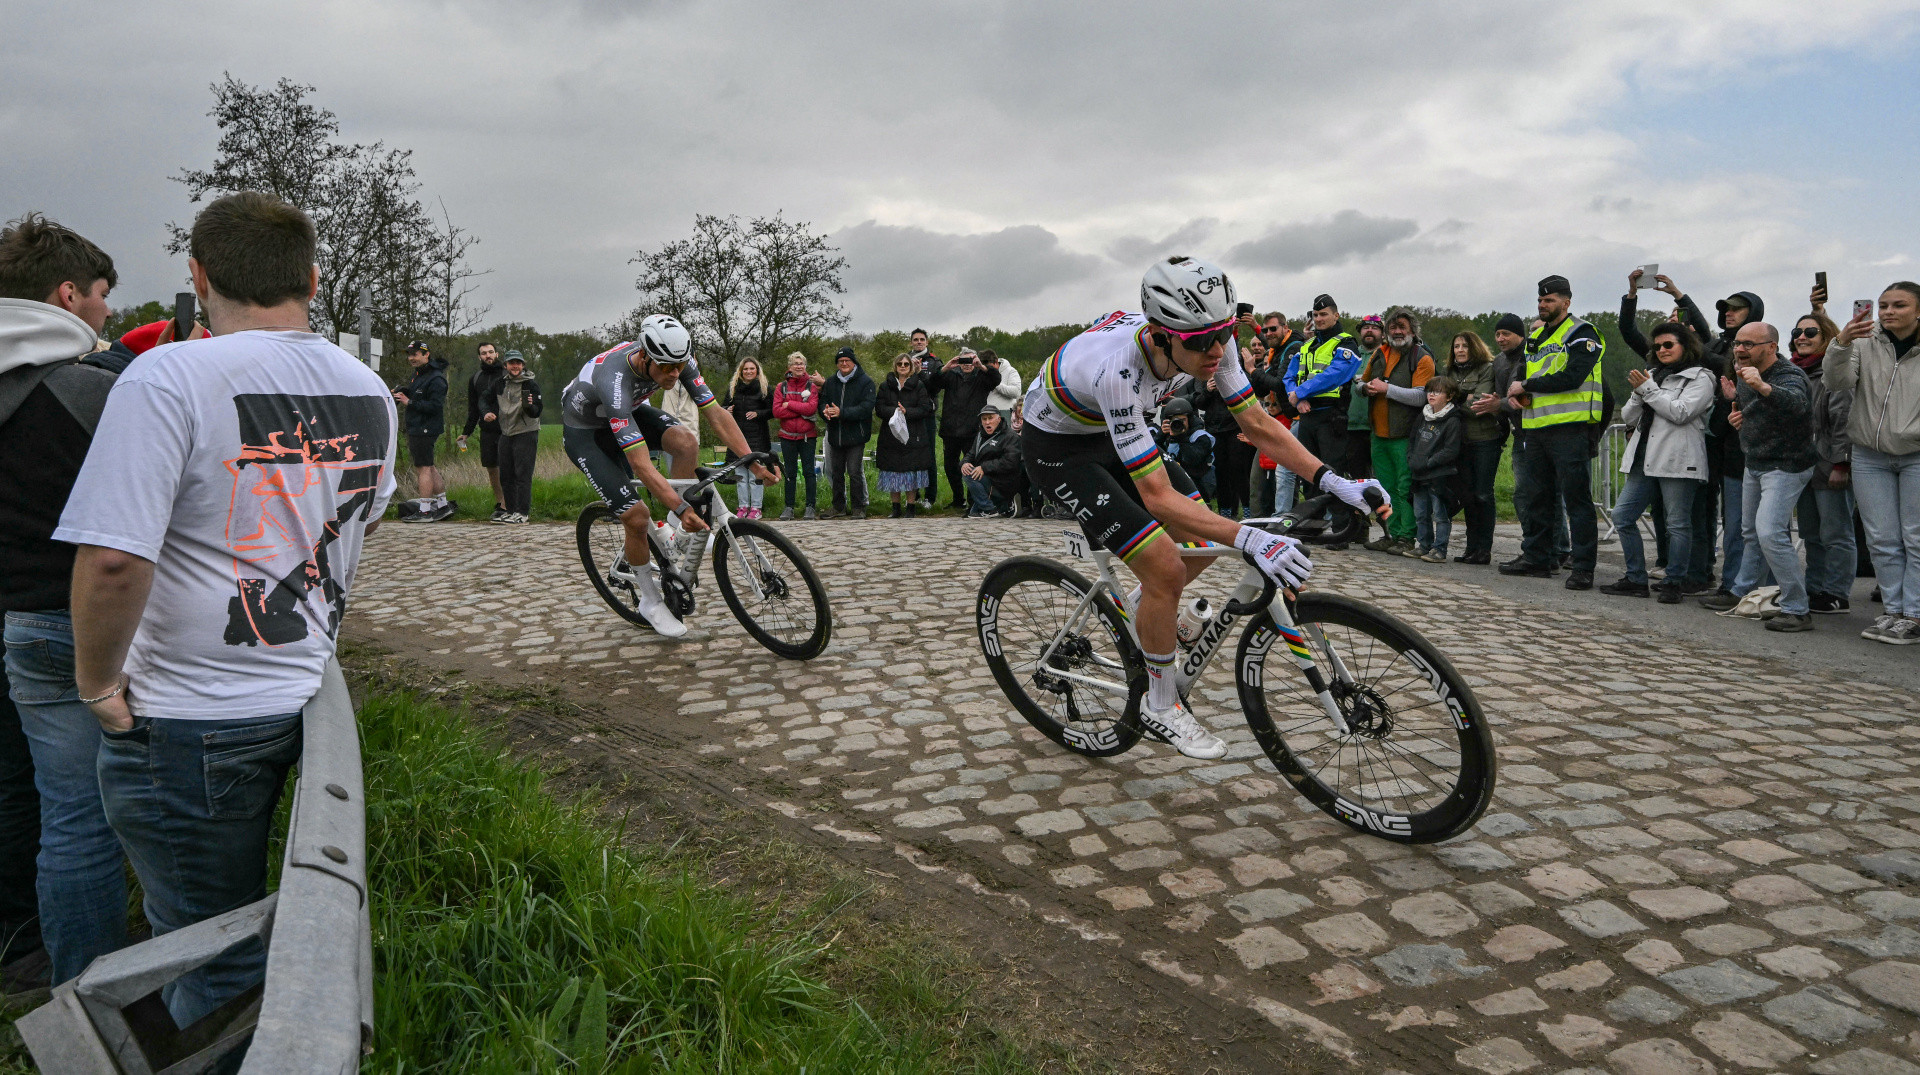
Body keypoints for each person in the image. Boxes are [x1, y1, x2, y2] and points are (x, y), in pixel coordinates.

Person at [57, 191, 397, 1041]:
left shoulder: (169, 374)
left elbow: (112, 558)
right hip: (297, 690)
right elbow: (361, 516)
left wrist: (96, 682)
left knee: (206, 945)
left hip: (187, 717)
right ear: (312, 279)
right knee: (244, 916)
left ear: (200, 275)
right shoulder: (369, 389)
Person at [1020, 255, 1388, 763]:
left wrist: (1333, 481)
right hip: (1058, 448)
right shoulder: (1118, 372)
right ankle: (1160, 702)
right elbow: (1158, 498)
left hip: (1108, 431)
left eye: (1225, 334)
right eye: (1200, 342)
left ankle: (1150, 612)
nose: (1216, 350)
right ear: (1160, 334)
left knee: (1205, 542)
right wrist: (1252, 538)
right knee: (1167, 565)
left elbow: (1257, 423)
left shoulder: (1211, 339)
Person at [0, 213, 131, 987]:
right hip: (58, 623)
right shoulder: (87, 392)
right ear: (68, 293)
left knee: (14, 785)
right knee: (80, 815)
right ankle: (90, 993)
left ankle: (20, 943)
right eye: (104, 296)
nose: (109, 312)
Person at [560, 314, 779, 636]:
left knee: (686, 442)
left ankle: (673, 537)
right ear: (645, 355)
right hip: (587, 433)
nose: (674, 374)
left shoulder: (678, 360)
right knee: (636, 517)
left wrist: (751, 461)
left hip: (628, 413)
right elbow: (642, 465)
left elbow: (716, 414)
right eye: (666, 368)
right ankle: (650, 602)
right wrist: (681, 506)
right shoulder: (614, 380)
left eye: (679, 366)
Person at [1699, 322, 1819, 631]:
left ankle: (1796, 608)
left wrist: (1763, 388)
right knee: (1749, 531)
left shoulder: (1788, 375)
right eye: (1738, 343)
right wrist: (1737, 411)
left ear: (1771, 347)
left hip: (1786, 465)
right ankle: (1743, 592)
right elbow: (1760, 412)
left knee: (1770, 533)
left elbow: (1797, 405)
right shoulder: (1745, 371)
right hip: (1755, 462)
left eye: (1749, 344)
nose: (1739, 349)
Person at [1828, 281, 1920, 644]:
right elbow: (1837, 383)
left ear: (1917, 311)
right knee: (1882, 539)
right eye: (1883, 305)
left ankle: (1914, 613)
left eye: (1899, 305)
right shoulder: (1864, 343)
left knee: (1915, 537)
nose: (1888, 312)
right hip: (1869, 453)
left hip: (1915, 453)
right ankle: (1893, 611)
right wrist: (1841, 343)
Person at [1501, 276, 1604, 589]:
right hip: (1535, 428)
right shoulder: (1536, 337)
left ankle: (1583, 568)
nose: (1543, 305)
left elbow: (1573, 376)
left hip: (1570, 429)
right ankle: (1538, 558)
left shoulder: (1582, 332)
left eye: (1550, 300)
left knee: (1577, 502)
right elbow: (1523, 370)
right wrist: (1515, 390)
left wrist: (1527, 386)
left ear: (1566, 302)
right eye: (1540, 300)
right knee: (1538, 499)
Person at [1599, 322, 1712, 601]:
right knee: (1623, 516)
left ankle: (1675, 582)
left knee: (1677, 523)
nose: (1661, 350)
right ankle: (1636, 578)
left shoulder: (1700, 377)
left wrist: (1648, 389)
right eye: (1657, 346)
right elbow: (1628, 417)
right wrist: (1640, 393)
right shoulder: (1652, 375)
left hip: (1677, 458)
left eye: (1668, 345)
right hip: (1643, 457)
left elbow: (1681, 412)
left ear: (1685, 346)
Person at [1791, 305, 1856, 615]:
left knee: (1837, 533)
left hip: (1831, 465)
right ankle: (1814, 588)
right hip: (1802, 466)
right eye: (1797, 332)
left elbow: (1844, 419)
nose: (1802, 337)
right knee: (1811, 534)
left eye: (1810, 332)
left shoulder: (1834, 373)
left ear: (1827, 336)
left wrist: (1842, 464)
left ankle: (1837, 593)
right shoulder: (1793, 372)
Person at [1284, 295, 1361, 542]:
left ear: (1336, 316)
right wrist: (1296, 397)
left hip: (1331, 416)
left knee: (1334, 474)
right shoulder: (1306, 347)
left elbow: (1336, 374)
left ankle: (1341, 530)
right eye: (1315, 316)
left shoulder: (1346, 343)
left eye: (1324, 314)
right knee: (1309, 475)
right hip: (1308, 416)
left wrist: (1302, 392)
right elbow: (1289, 377)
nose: (1319, 319)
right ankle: (1311, 527)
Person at [1360, 307, 1435, 554]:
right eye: (1393, 327)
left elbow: (1422, 396)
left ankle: (1407, 537)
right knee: (1386, 489)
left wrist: (1385, 389)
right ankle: (1390, 534)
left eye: (1402, 327)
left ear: (1412, 330)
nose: (1397, 331)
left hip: (1406, 434)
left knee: (1404, 488)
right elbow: (1360, 379)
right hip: (1378, 434)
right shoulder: (1380, 353)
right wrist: (1365, 388)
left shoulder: (1422, 357)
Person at [1447, 331, 1502, 564]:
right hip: (1460, 441)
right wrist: (1465, 397)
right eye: (1456, 346)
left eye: (1465, 346)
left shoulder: (1487, 369)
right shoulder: (1449, 372)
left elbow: (1478, 406)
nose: (1460, 350)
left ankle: (1484, 549)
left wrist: (1457, 399)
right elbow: (1441, 399)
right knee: (1468, 495)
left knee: (1483, 494)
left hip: (1485, 439)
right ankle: (1471, 548)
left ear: (1475, 348)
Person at [934, 347, 1000, 511]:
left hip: (972, 430)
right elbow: (932, 383)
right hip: (951, 429)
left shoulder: (982, 376)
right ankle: (958, 499)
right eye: (964, 361)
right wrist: (946, 367)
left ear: (975, 360)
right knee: (950, 467)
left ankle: (973, 502)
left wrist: (981, 367)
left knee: (972, 467)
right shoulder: (951, 374)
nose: (967, 364)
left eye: (970, 360)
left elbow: (996, 379)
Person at [1406, 375, 1463, 562]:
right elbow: (1412, 440)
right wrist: (1412, 459)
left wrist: (1429, 462)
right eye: (1430, 391)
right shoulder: (1423, 415)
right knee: (1420, 513)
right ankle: (1423, 545)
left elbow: (1451, 450)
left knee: (1440, 514)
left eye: (1437, 392)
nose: (1432, 395)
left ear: (1449, 396)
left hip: (1439, 475)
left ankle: (1439, 549)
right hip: (1419, 475)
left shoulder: (1452, 420)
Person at [394, 341, 450, 520]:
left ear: (427, 355)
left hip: (425, 427)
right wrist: (401, 392)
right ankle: (442, 505)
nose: (411, 358)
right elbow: (415, 392)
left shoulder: (436, 378)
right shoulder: (418, 374)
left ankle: (425, 510)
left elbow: (435, 406)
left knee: (423, 468)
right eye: (409, 354)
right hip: (417, 426)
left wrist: (409, 402)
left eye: (415, 354)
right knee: (430, 466)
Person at [819, 346, 875, 519]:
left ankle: (858, 507)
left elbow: (866, 408)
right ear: (837, 364)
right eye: (840, 361)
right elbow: (822, 402)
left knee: (854, 472)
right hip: (836, 434)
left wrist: (842, 412)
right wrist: (825, 412)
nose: (844, 364)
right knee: (836, 472)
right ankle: (838, 507)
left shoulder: (866, 382)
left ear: (853, 362)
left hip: (856, 435)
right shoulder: (830, 382)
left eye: (847, 361)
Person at [876, 353, 935, 517]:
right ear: (895, 366)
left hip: (913, 435)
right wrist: (895, 411)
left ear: (911, 367)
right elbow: (879, 408)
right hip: (891, 435)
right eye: (900, 364)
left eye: (906, 364)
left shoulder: (919, 386)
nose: (903, 366)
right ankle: (895, 508)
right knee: (892, 472)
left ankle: (911, 507)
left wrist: (906, 411)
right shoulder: (885, 386)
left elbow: (925, 409)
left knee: (911, 472)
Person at [487, 350, 541, 524]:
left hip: (526, 432)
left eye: (518, 363)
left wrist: (530, 406)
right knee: (506, 475)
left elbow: (537, 412)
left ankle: (523, 512)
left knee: (522, 474)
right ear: (506, 366)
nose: (515, 366)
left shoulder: (531, 385)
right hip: (506, 432)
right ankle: (510, 511)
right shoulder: (499, 384)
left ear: (523, 365)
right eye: (512, 363)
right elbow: (484, 399)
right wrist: (486, 412)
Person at [458, 341, 507, 520]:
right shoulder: (475, 378)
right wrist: (466, 432)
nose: (488, 355)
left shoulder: (506, 374)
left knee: (506, 468)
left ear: (497, 354)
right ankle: (500, 502)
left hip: (507, 430)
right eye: (484, 353)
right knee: (491, 468)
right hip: (487, 431)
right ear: (479, 357)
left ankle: (507, 504)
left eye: (491, 352)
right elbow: (473, 409)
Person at [771, 352, 823, 520]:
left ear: (805, 366)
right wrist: (800, 408)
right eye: (795, 363)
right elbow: (777, 411)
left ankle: (810, 507)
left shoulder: (812, 386)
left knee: (809, 472)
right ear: (789, 367)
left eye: (801, 363)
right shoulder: (781, 387)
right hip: (787, 437)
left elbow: (811, 409)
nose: (799, 366)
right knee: (790, 473)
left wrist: (790, 404)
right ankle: (789, 507)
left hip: (808, 436)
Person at [721, 358, 773, 519]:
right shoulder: (733, 389)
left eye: (752, 369)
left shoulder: (765, 389)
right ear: (741, 371)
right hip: (737, 437)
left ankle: (756, 508)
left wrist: (759, 414)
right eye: (745, 369)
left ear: (757, 371)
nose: (749, 371)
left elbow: (774, 411)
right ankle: (743, 507)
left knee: (755, 476)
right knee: (741, 476)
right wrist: (726, 410)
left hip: (758, 438)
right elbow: (721, 408)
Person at [962, 406, 1021, 517]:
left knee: (970, 475)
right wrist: (965, 463)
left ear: (999, 419)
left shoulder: (1010, 436)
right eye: (984, 419)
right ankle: (995, 507)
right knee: (967, 471)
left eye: (990, 418)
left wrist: (984, 468)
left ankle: (990, 509)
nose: (987, 422)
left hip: (1003, 481)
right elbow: (971, 454)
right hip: (986, 478)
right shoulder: (980, 435)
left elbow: (1010, 462)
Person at [1156, 396, 1216, 500]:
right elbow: (1154, 458)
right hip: (1176, 481)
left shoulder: (1200, 436)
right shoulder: (1168, 435)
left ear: (1190, 419)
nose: (1179, 424)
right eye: (1174, 421)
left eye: (1183, 420)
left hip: (1200, 481)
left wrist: (1180, 438)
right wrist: (1160, 437)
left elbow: (1193, 460)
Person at [908, 329, 940, 503]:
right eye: (915, 340)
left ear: (927, 342)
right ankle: (913, 496)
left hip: (926, 415)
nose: (919, 342)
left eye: (922, 339)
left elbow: (935, 388)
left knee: (928, 456)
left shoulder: (934, 361)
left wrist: (920, 372)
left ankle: (930, 497)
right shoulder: (905, 360)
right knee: (910, 455)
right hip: (908, 414)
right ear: (911, 342)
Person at [984, 348, 1022, 415]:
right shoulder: (983, 372)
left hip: (1005, 413)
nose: (988, 370)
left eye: (989, 367)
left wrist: (996, 382)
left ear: (996, 362)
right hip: (987, 414)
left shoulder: (1011, 371)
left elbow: (1016, 392)